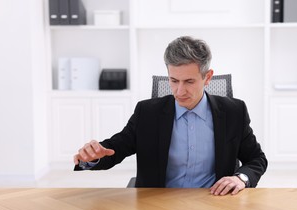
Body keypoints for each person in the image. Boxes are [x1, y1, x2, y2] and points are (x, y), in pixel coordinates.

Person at [74, 36, 267, 196]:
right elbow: (115, 149)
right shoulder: (147, 113)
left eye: (189, 81)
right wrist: (92, 156)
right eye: (174, 80)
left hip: (215, 203)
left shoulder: (234, 112)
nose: (179, 90)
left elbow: (256, 159)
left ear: (207, 77)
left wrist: (241, 178)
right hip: (158, 206)